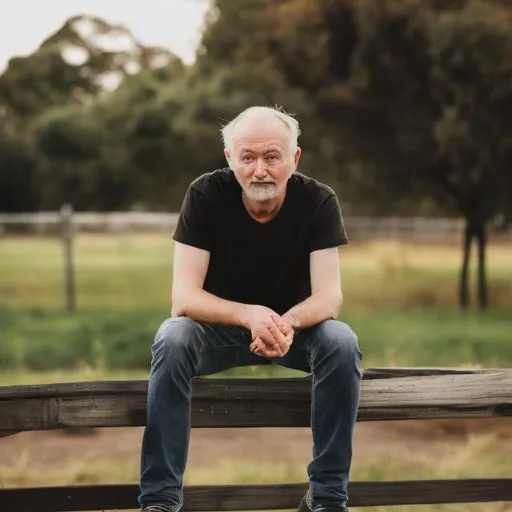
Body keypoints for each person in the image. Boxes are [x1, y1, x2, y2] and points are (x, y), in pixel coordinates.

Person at [138, 106, 363, 512]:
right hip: (217, 331)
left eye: (272, 157)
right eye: (248, 157)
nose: (260, 170)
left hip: (294, 333)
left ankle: (328, 499)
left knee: (341, 340)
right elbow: (184, 299)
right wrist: (249, 315)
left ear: (294, 159)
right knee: (172, 337)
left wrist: (285, 321)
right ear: (230, 159)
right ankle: (160, 501)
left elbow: (330, 298)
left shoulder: (318, 200)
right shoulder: (204, 194)